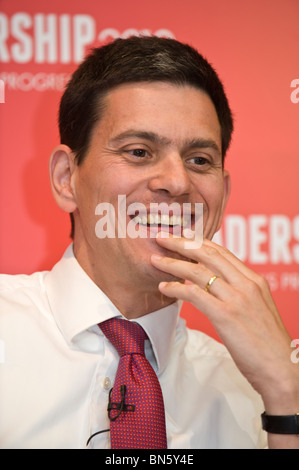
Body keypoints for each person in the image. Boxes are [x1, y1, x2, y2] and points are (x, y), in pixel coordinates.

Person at [0, 36, 298, 450]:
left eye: (199, 160)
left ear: (223, 196)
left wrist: (286, 395)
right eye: (139, 151)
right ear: (67, 178)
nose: (177, 183)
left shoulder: (254, 390)